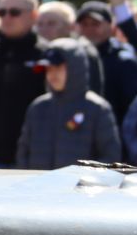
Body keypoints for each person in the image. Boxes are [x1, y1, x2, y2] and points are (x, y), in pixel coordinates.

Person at [16, 40, 121, 169]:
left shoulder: (97, 109)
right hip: (38, 187)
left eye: (58, 67)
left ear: (75, 68)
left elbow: (110, 156)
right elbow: (23, 152)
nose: (52, 74)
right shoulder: (38, 107)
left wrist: (86, 182)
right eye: (49, 69)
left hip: (79, 187)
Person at [0, 0, 46, 167]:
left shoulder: (45, 54)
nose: (7, 17)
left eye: (14, 12)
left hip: (30, 155)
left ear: (33, 16)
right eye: (1, 12)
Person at [76, 0, 137, 121]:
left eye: (95, 24)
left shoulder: (124, 61)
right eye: (84, 24)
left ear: (111, 26)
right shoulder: (73, 59)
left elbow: (135, 111)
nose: (89, 29)